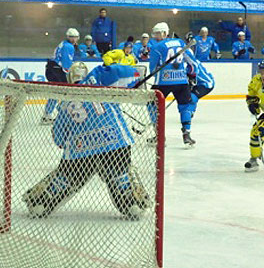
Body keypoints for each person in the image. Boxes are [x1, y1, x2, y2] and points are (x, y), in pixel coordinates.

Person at [23, 62, 151, 220]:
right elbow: (123, 72)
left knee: (65, 178)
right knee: (119, 174)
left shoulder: (65, 102)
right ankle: (131, 201)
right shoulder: (98, 80)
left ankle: (41, 202)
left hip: (81, 151)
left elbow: (59, 139)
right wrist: (136, 72)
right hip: (115, 142)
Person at [149, 22, 197, 147]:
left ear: (165, 33)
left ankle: (159, 136)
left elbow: (153, 69)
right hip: (181, 81)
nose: (155, 36)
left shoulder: (157, 47)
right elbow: (192, 63)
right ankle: (187, 134)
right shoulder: (180, 43)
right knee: (185, 106)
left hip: (162, 83)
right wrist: (191, 75)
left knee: (151, 105)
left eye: (157, 33)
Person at [41, 27, 79, 124]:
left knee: (56, 92)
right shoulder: (69, 46)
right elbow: (66, 63)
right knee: (66, 91)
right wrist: (69, 73)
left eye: (76, 37)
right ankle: (62, 112)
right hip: (56, 70)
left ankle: (47, 114)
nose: (74, 39)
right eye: (72, 37)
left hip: (50, 68)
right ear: (68, 37)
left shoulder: (63, 43)